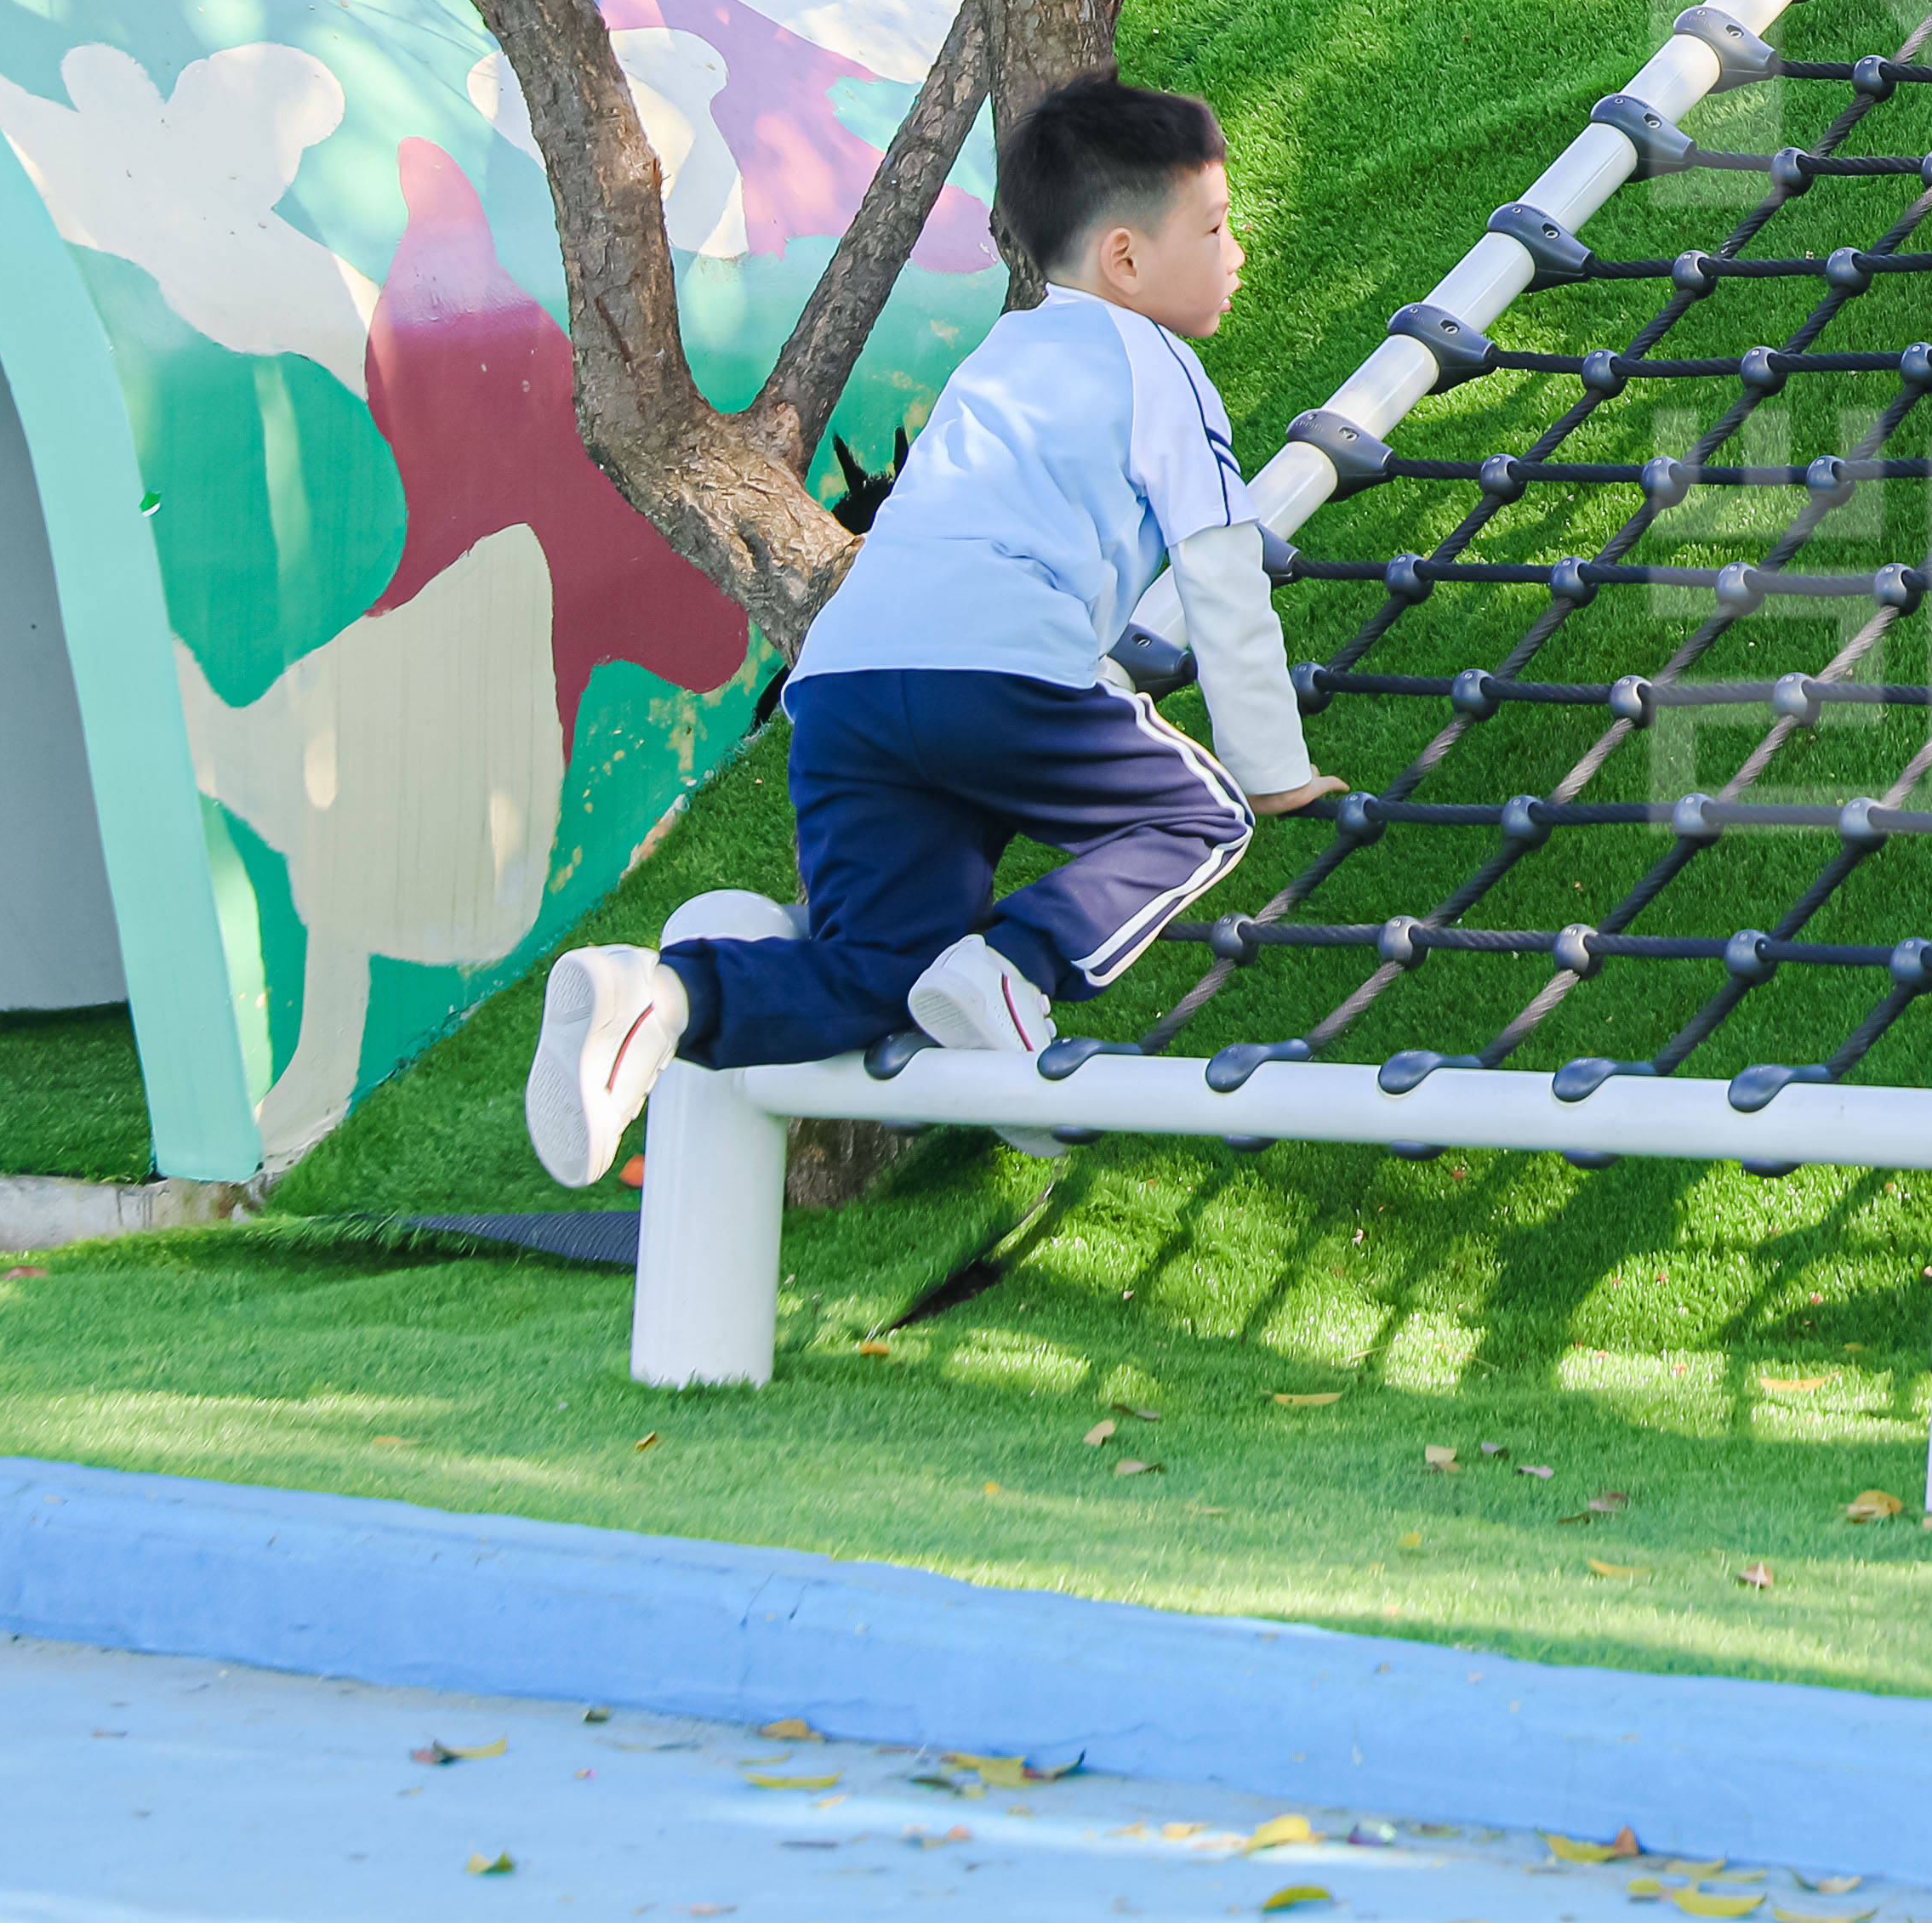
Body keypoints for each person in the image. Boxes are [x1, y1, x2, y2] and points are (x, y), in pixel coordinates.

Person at [521, 76, 1336, 1189]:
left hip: (848, 686)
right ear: (1126, 259)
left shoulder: (999, 359)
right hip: (996, 669)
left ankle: (656, 996)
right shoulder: (1159, 368)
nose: (1235, 249)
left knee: (872, 973)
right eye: (1214, 226)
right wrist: (1272, 765)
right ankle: (1015, 965)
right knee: (1198, 816)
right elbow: (1223, 573)